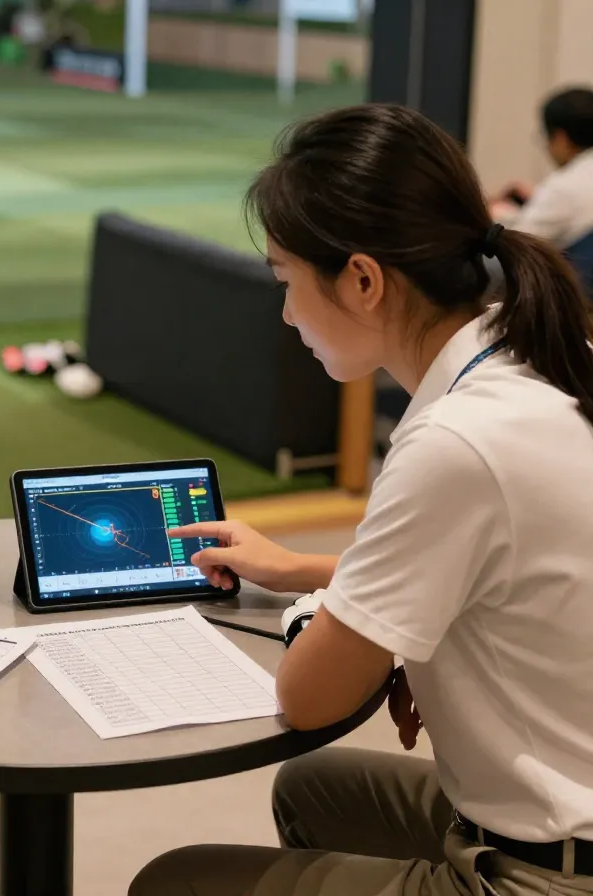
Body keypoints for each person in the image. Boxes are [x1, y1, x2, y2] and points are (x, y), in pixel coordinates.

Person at [131, 103, 593, 895]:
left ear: (363, 279)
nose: (285, 312)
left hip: (546, 872)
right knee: (314, 791)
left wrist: (327, 618)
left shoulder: (457, 444)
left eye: (286, 280)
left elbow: (308, 697)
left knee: (175, 880)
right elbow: (502, 563)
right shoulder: (541, 354)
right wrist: (307, 567)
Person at [490, 86, 593, 248]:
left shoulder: (564, 187)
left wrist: (496, 212)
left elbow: (519, 245)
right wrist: (537, 198)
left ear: (560, 138)